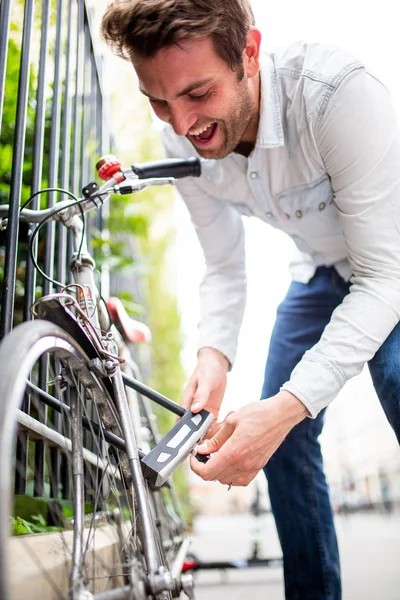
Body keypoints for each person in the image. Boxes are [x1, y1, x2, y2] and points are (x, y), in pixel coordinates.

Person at [101, 1, 400, 598]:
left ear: (249, 53)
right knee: (279, 434)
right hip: (317, 272)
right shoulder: (184, 139)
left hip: (390, 266)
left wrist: (289, 404)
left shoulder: (335, 95)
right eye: (159, 101)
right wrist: (213, 356)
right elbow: (225, 264)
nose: (181, 123)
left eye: (198, 94)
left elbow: (382, 279)